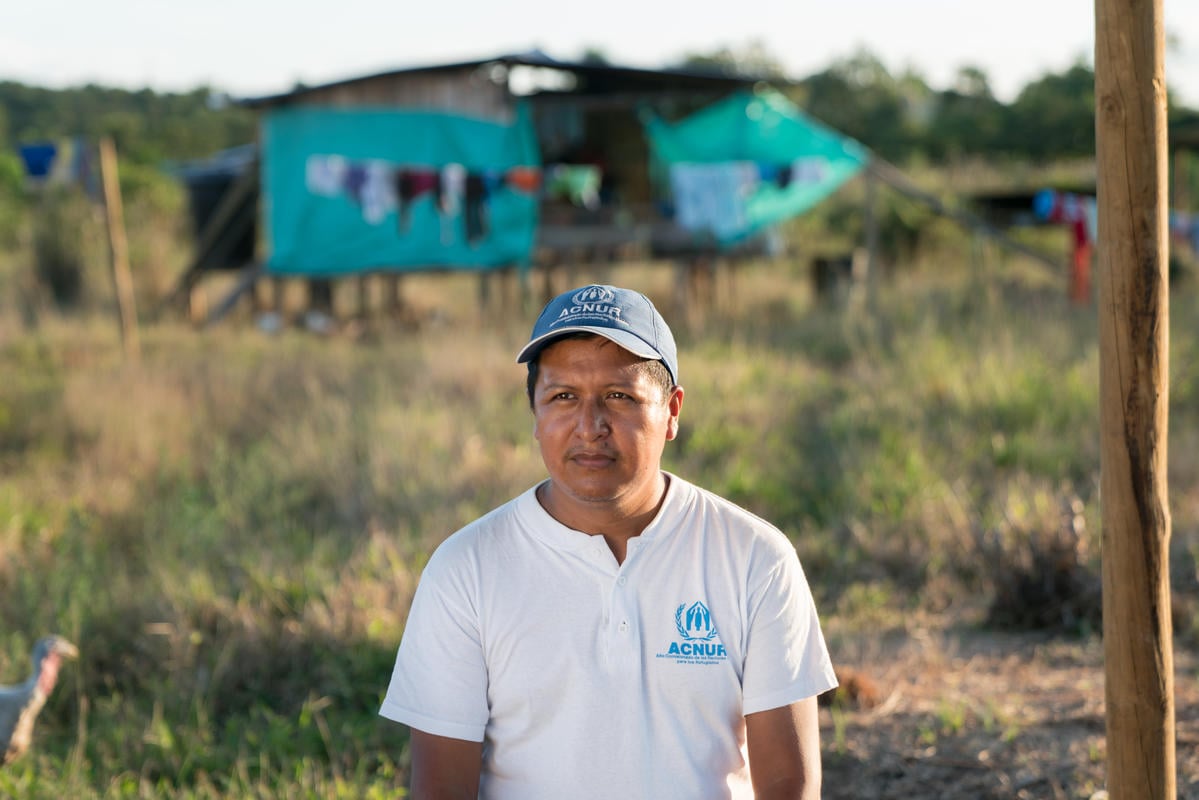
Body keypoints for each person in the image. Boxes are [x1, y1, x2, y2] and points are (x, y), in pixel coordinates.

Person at [380, 284, 837, 799]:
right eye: (563, 397)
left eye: (619, 397)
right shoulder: (466, 568)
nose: (590, 426)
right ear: (533, 410)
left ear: (672, 412)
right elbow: (441, 789)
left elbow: (790, 787)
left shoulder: (755, 557)